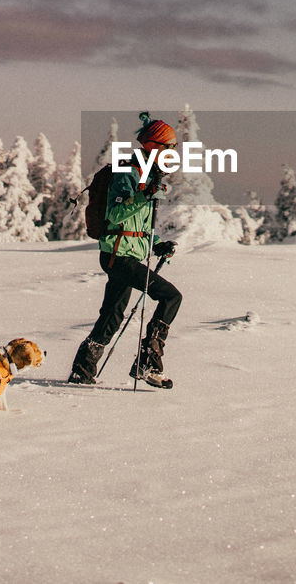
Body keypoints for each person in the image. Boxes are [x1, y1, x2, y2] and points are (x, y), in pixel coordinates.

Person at [68, 116, 182, 388]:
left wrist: (157, 244)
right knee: (171, 296)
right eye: (170, 146)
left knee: (113, 314)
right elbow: (116, 214)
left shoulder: (146, 174)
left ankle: (82, 370)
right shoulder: (128, 172)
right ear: (155, 146)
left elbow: (138, 224)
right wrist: (145, 195)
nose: (172, 152)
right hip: (118, 256)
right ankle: (148, 364)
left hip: (124, 254)